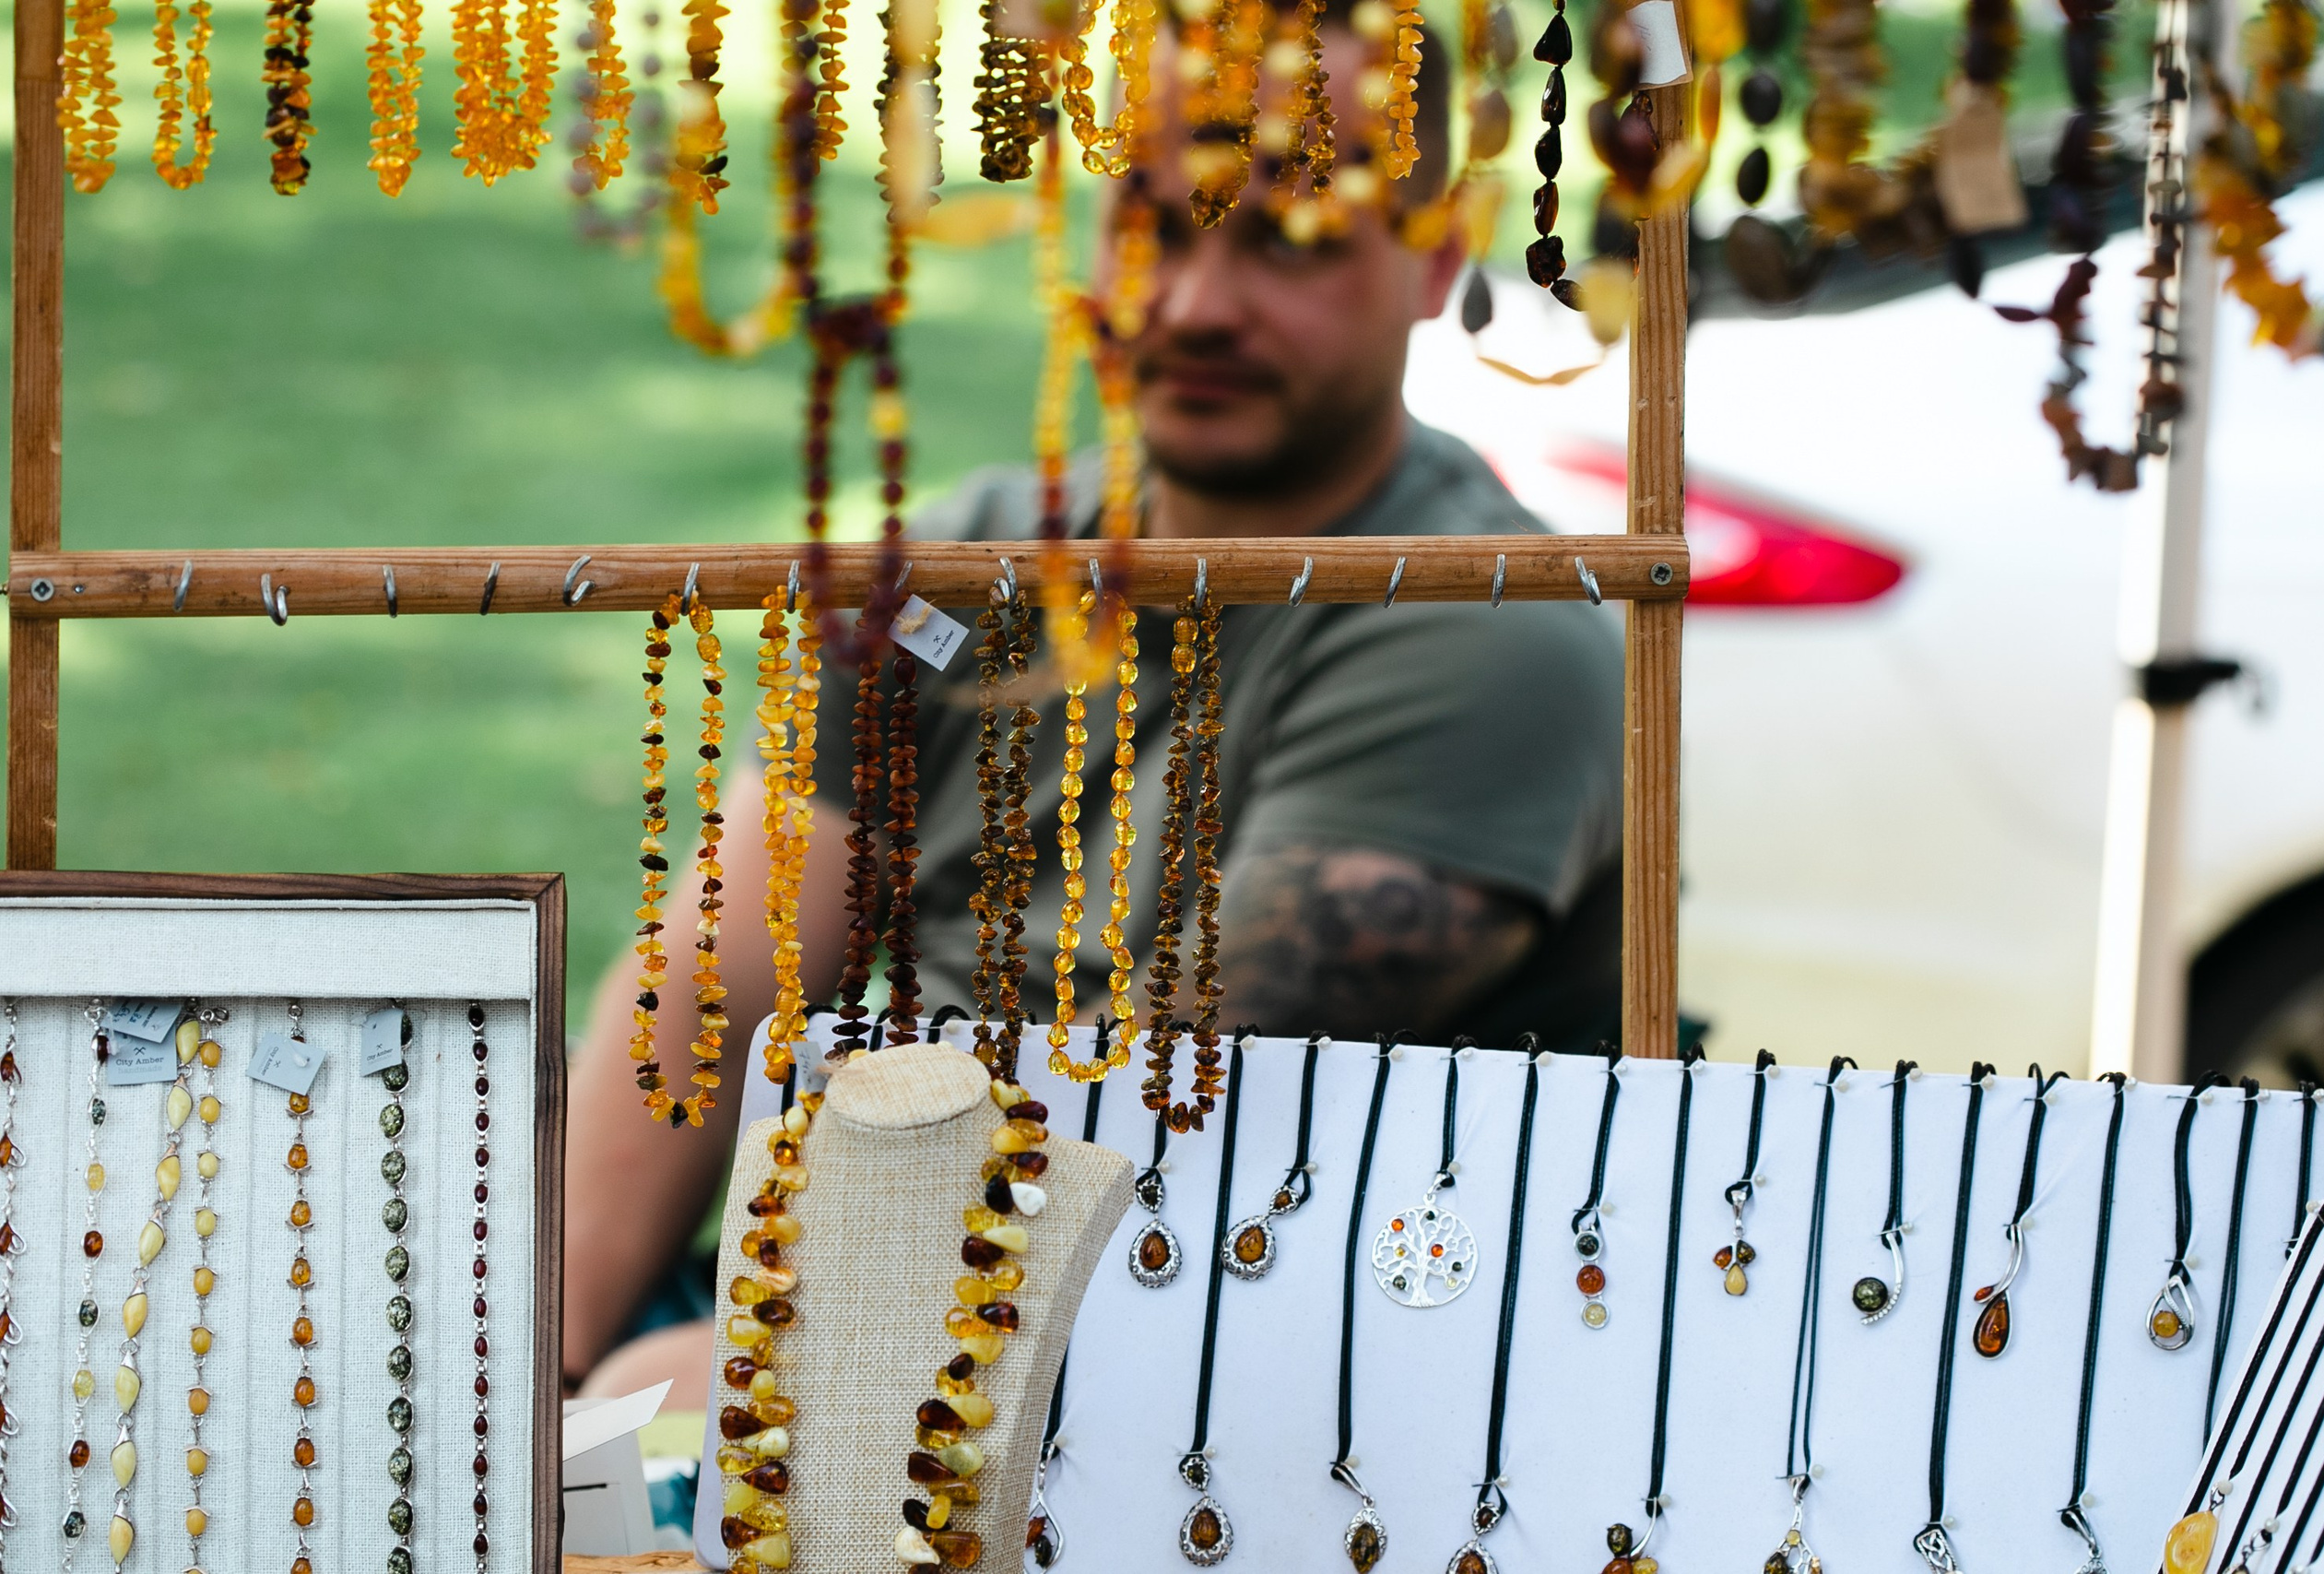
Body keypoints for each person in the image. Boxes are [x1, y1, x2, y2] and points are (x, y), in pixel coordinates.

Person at [562, 24, 1624, 1399]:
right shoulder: (968, 560)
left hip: (1248, 1383)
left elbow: (1164, 1124)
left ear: (1434, 253)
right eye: (1153, 223)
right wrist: (547, 1353)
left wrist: (757, 1364)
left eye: (1290, 238)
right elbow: (718, 985)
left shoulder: (1489, 633)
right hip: (868, 1300)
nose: (1192, 305)